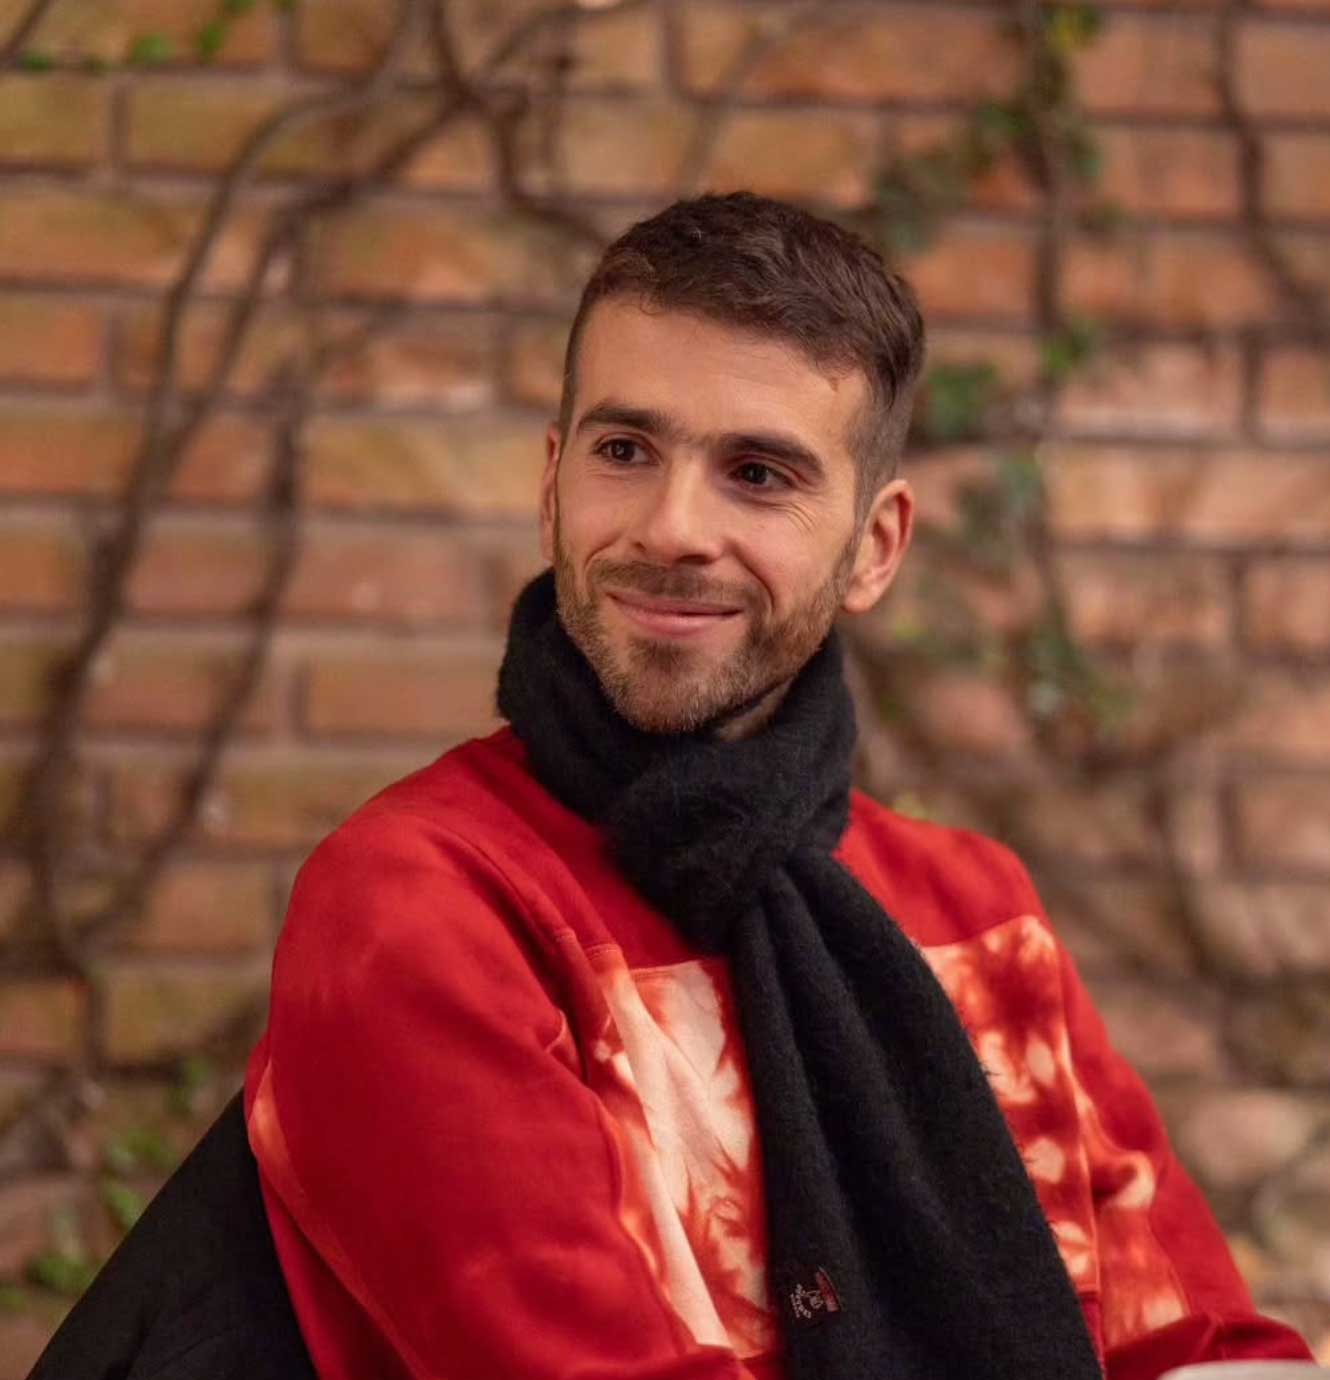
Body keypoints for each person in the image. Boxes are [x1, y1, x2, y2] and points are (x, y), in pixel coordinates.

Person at [242, 191, 1312, 1380]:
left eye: (757, 474)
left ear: (874, 548)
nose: (673, 527)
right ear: (551, 483)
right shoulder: (421, 906)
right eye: (624, 450)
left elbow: (1205, 1347)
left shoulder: (974, 912)